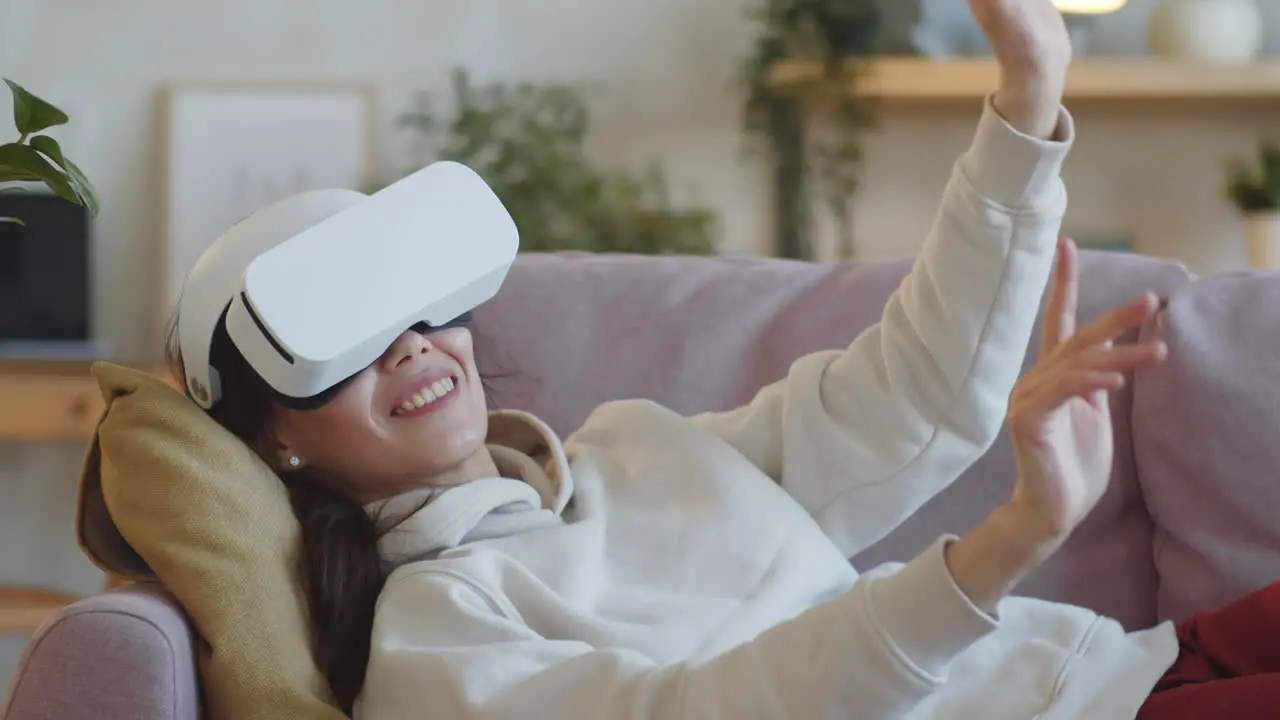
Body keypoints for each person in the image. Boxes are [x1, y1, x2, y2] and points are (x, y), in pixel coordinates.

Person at [160, 1, 1273, 718]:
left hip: (1127, 662)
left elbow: (912, 398)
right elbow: (716, 710)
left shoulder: (637, 452)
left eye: (412, 305)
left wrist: (1027, 95)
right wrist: (1007, 542)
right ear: (276, 440)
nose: (406, 343)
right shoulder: (437, 639)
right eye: (342, 343)